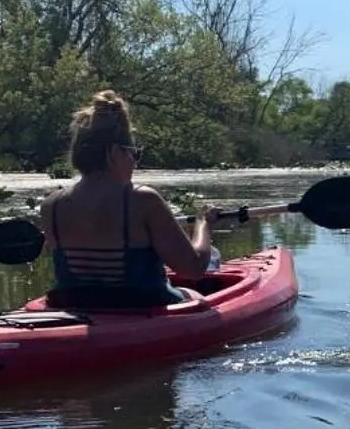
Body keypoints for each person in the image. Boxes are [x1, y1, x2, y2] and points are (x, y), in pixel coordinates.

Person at [39, 90, 217, 307]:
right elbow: (194, 268)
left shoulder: (52, 205)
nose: (135, 162)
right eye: (133, 153)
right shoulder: (142, 200)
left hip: (76, 308)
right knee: (195, 296)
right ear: (114, 152)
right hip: (141, 307)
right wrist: (204, 223)